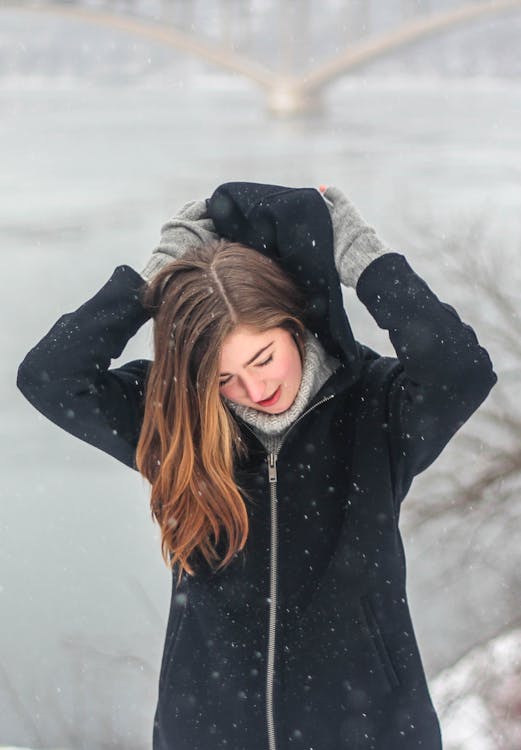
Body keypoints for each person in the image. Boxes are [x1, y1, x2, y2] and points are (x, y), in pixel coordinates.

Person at [16, 181, 497, 750]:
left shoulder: (376, 410)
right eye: (224, 378)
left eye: (262, 358)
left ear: (295, 324)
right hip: (209, 731)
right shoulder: (181, 423)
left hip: (370, 731)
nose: (254, 388)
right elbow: (50, 375)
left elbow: (461, 369)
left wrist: (363, 258)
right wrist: (158, 278)